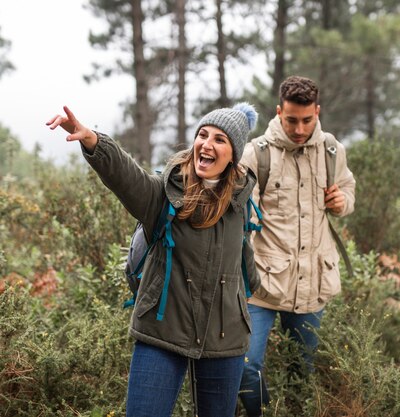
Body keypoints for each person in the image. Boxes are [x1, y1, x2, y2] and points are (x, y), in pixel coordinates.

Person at [46, 103, 261, 417]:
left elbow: (243, 259)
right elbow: (127, 177)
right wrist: (93, 140)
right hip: (162, 329)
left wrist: (248, 304)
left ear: (233, 155)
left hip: (224, 336)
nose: (207, 144)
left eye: (219, 139)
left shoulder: (240, 203)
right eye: (203, 135)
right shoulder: (166, 194)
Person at [238, 75, 356, 415]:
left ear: (318, 111)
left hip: (311, 284)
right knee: (246, 365)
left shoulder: (332, 150)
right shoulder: (255, 154)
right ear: (279, 112)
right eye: (292, 120)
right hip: (261, 283)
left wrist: (340, 201)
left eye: (308, 120)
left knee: (301, 373)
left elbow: (348, 188)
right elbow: (243, 215)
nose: (300, 128)